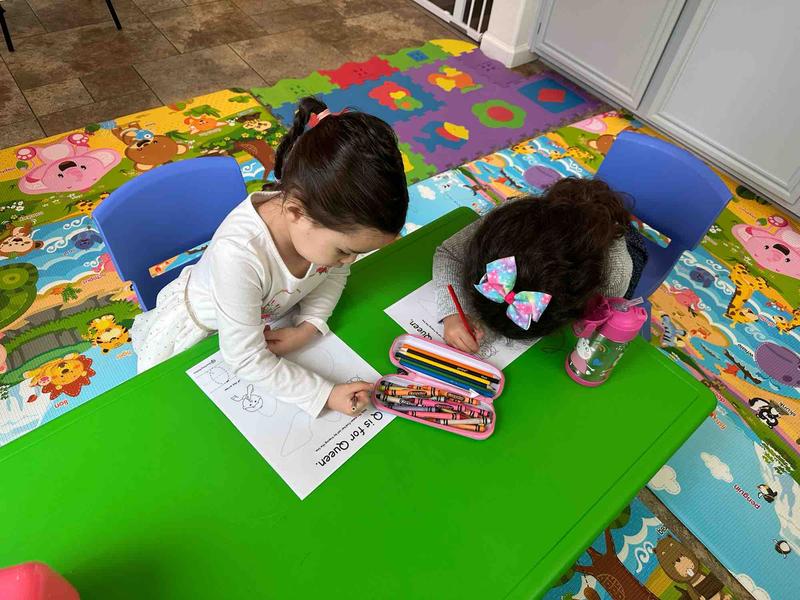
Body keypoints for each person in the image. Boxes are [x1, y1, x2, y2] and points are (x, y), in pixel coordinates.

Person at [132, 97, 409, 416]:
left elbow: (332, 274)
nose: (348, 262)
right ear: (295, 211)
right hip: (200, 334)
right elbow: (244, 358)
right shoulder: (240, 254)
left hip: (264, 321)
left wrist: (311, 325)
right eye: (345, 252)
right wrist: (325, 393)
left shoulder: (318, 231)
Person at [433, 177, 647, 353]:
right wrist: (453, 313)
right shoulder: (509, 220)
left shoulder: (613, 274)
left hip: (614, 243)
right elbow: (449, 253)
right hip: (554, 218)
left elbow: (596, 323)